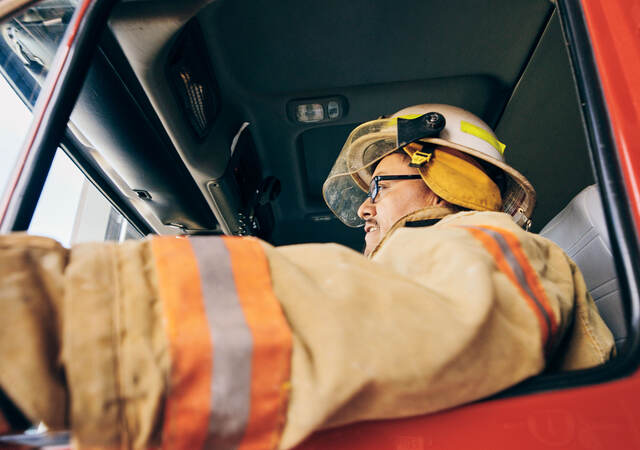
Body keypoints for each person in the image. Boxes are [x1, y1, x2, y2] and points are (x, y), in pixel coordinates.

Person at [0, 104, 614, 449]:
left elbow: (374, 323)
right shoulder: (454, 258)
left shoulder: (491, 247)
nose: (366, 209)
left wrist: (57, 323)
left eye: (380, 185)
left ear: (450, 178)